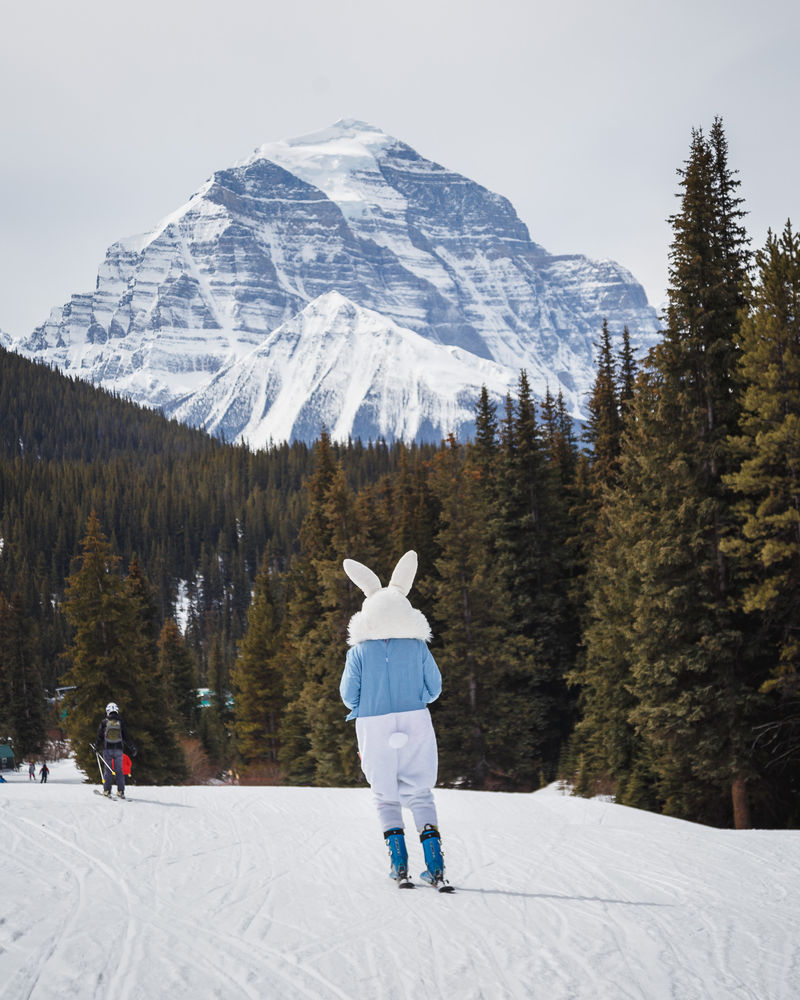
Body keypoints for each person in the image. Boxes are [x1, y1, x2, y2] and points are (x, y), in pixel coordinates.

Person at [339, 550, 452, 890]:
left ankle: (398, 864)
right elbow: (434, 688)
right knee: (420, 793)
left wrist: (369, 705)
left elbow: (348, 696)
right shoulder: (418, 647)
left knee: (385, 795)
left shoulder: (358, 652)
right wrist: (414, 700)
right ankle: (435, 865)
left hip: (372, 726)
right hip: (416, 720)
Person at [96, 702, 136, 797]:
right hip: (118, 749)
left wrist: (96, 747)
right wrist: (132, 747)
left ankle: (107, 790)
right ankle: (120, 791)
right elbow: (126, 737)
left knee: (108, 771)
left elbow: (99, 737)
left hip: (107, 749)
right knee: (119, 770)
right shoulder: (121, 722)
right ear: (117, 710)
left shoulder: (104, 722)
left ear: (107, 711)